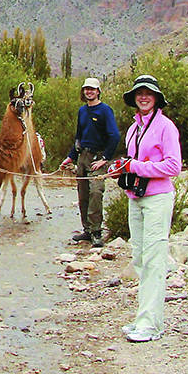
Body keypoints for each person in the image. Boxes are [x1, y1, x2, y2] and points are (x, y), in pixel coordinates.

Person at [107, 74, 181, 343]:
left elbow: (174, 166)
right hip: (135, 198)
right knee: (139, 257)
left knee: (153, 259)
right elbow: (133, 161)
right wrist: (122, 168)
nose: (143, 97)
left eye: (148, 93)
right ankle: (143, 317)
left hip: (157, 199)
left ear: (157, 98)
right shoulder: (133, 129)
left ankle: (151, 324)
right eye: (139, 93)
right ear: (134, 99)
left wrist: (135, 167)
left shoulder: (166, 127)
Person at [58, 77, 120, 248]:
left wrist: (105, 158)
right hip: (82, 156)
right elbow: (79, 136)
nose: (89, 92)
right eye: (86, 89)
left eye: (92, 89)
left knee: (95, 192)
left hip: (97, 157)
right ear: (83, 91)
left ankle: (96, 232)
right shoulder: (82, 111)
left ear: (98, 91)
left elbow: (114, 136)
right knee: (83, 193)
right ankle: (86, 229)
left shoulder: (105, 110)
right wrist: (70, 157)